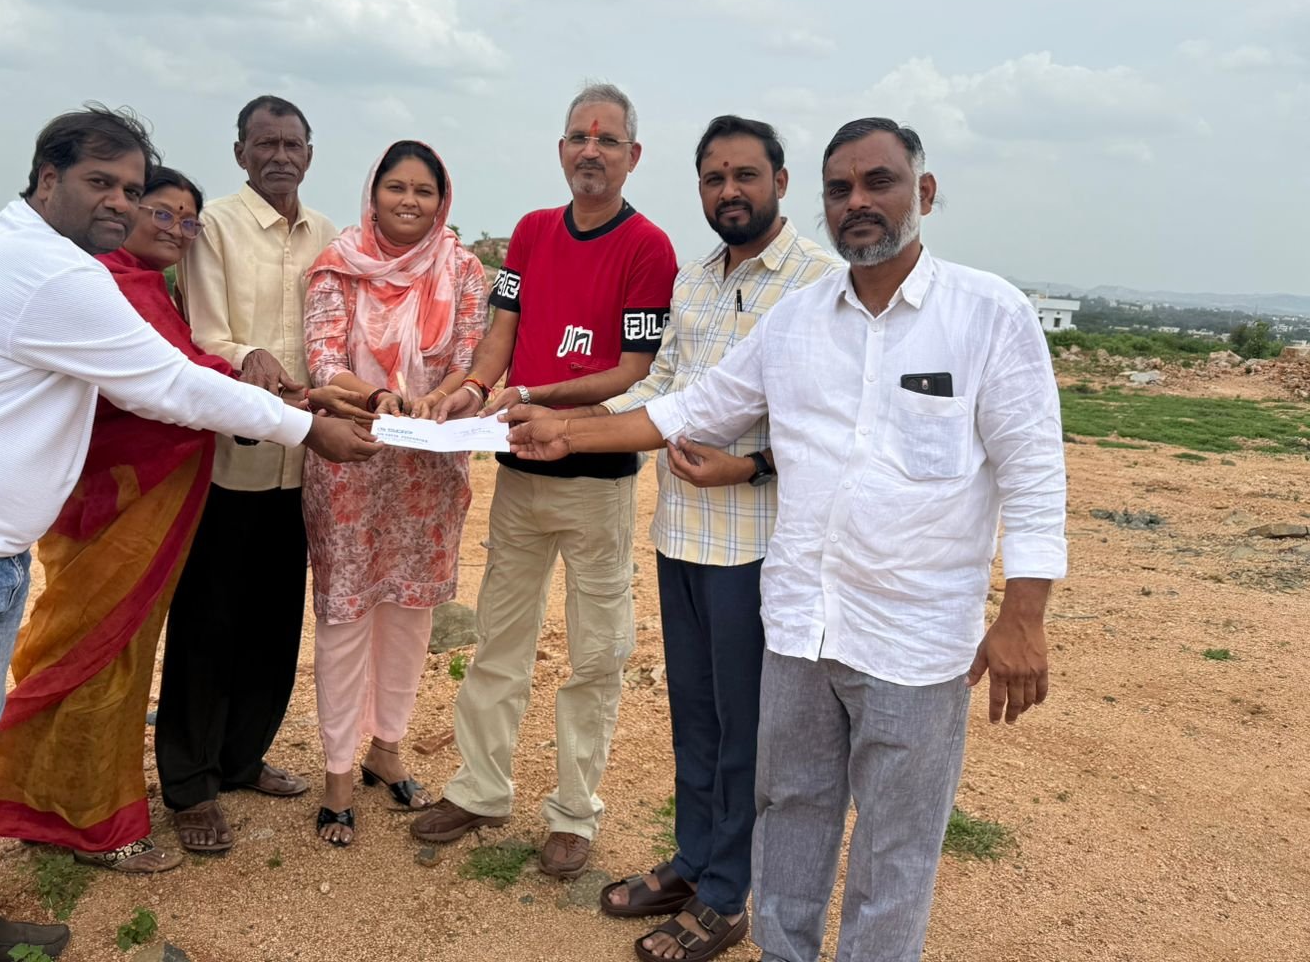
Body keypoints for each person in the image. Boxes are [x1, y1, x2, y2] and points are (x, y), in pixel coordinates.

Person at [507, 117, 1067, 962]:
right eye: (840, 189)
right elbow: (691, 407)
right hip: (802, 627)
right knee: (789, 816)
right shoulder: (799, 321)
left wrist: (1023, 615)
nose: (857, 202)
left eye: (878, 182)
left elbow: (1033, 473)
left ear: (923, 192)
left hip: (916, 641)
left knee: (894, 846)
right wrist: (565, 430)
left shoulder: (989, 314)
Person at [0, 106, 380, 962]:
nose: (120, 203)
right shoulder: (51, 273)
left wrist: (297, 409)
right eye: (101, 183)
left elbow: (178, 374)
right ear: (47, 179)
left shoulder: (55, 259)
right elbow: (169, 384)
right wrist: (308, 429)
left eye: (130, 187)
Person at [584, 116, 838, 960]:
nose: (729, 191)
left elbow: (833, 422)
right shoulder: (692, 282)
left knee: (743, 731)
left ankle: (728, 894)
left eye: (745, 175)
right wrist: (570, 418)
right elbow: (661, 386)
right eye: (713, 178)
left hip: (755, 547)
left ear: (780, 182)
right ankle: (693, 860)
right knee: (694, 717)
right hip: (680, 533)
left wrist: (751, 466)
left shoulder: (818, 282)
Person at [410, 82, 677, 881]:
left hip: (598, 481)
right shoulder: (530, 233)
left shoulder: (649, 248)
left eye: (607, 139)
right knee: (499, 639)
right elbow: (503, 334)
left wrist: (536, 395)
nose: (591, 150)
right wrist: (471, 389)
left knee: (596, 655)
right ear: (561, 149)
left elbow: (633, 369)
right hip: (520, 474)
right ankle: (480, 789)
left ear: (633, 155)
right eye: (578, 138)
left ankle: (573, 813)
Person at [0, 166, 228, 874]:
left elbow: (183, 367)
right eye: (162, 212)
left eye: (188, 220)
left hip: (138, 501)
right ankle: (92, 823)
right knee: (99, 654)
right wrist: (270, 397)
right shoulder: (110, 284)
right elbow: (165, 386)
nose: (175, 229)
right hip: (114, 503)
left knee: (108, 650)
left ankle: (51, 799)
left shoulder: (148, 286)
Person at [154, 94, 343, 853]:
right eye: (264, 143)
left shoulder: (328, 234)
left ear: (309, 153)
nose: (279, 156)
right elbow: (205, 335)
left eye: (292, 144)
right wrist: (246, 357)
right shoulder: (215, 228)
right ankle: (190, 783)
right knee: (208, 621)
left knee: (274, 617)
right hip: (230, 457)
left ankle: (241, 757)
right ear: (240, 153)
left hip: (304, 461)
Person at [300, 141, 489, 846]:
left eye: (424, 191)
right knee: (346, 618)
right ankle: (337, 774)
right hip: (351, 460)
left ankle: (387, 749)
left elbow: (470, 357)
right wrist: (379, 397)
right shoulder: (337, 265)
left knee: (410, 617)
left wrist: (441, 398)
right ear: (373, 194)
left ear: (442, 201)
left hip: (427, 471)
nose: (410, 201)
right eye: (396, 188)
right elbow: (323, 361)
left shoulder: (463, 269)